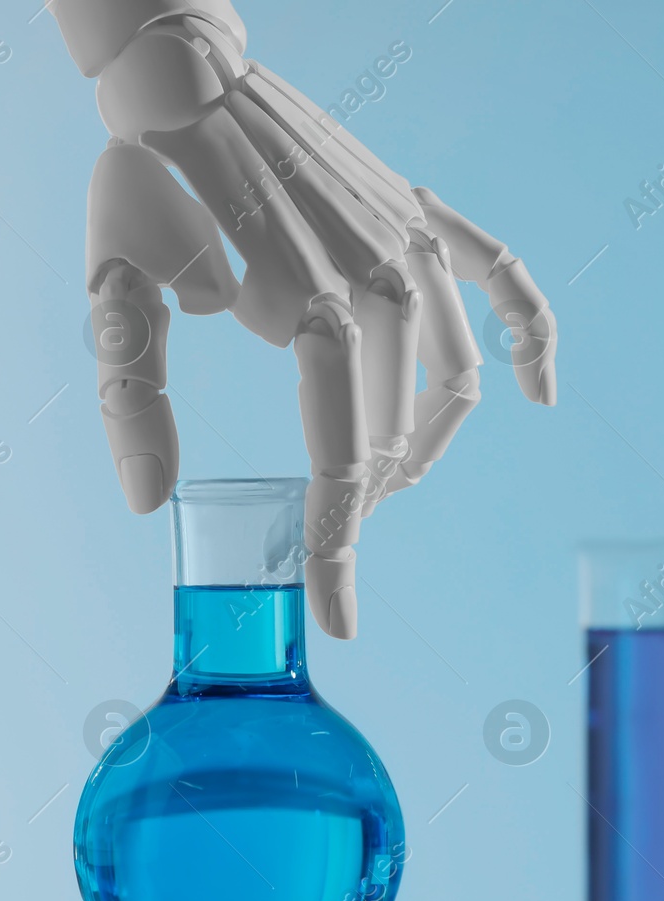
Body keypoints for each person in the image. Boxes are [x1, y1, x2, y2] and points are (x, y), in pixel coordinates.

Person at [54, 0, 558, 638]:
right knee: (365, 314)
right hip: (211, 66)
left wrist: (182, 62)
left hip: (218, 64)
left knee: (379, 299)